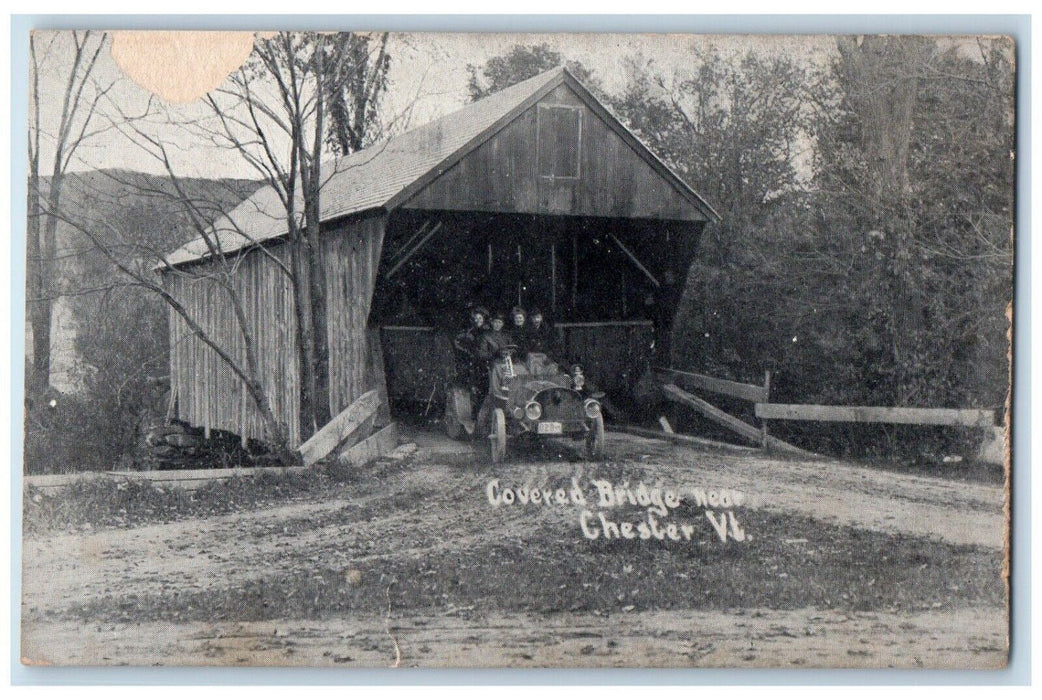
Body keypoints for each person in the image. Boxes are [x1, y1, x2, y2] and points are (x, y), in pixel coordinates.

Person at [453, 305, 489, 391]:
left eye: (480, 318)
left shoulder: (488, 331)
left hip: (485, 358)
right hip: (473, 359)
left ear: (484, 319)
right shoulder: (469, 332)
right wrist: (468, 352)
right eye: (476, 318)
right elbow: (457, 342)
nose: (478, 320)